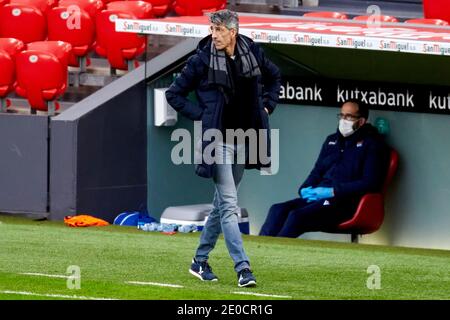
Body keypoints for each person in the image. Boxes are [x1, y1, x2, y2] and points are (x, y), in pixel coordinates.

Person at [165, 9, 281, 287]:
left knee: (221, 205)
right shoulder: (201, 59)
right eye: (211, 29)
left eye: (218, 30)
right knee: (229, 206)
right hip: (217, 142)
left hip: (246, 138)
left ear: (233, 32)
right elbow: (174, 94)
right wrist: (202, 114)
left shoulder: (251, 50)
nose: (214, 35)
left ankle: (199, 261)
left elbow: (275, 77)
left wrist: (267, 106)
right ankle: (243, 269)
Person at [259, 99, 388, 238]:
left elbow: (370, 183)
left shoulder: (371, 144)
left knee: (297, 216)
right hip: (319, 199)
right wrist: (305, 188)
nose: (343, 120)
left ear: (361, 121)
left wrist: (332, 191)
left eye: (349, 116)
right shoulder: (332, 141)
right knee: (277, 210)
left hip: (344, 203)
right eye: (341, 115)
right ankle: (260, 251)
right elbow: (317, 171)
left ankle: (275, 254)